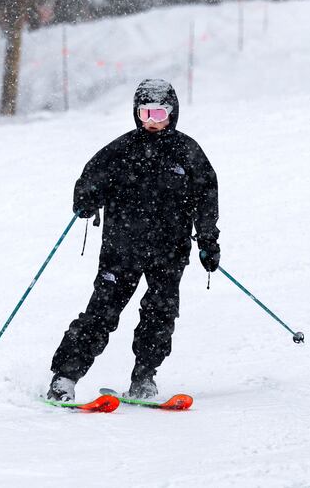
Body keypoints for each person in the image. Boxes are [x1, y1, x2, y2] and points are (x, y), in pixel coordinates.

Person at [47, 79, 220, 401]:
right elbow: (89, 180)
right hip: (121, 249)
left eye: (159, 113)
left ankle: (144, 378)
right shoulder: (121, 150)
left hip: (169, 252)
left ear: (173, 112)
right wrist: (86, 200)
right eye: (144, 113)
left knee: (159, 315)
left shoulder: (187, 152)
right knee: (101, 313)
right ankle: (65, 378)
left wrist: (209, 241)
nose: (152, 121)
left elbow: (207, 198)